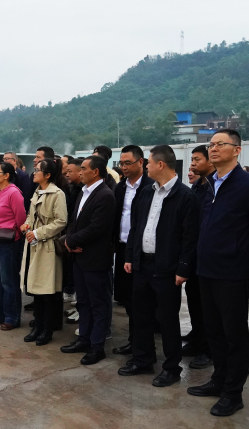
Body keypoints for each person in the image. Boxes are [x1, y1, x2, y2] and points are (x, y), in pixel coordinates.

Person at [187, 129, 249, 417]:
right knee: (213, 331)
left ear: (237, 150)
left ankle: (233, 393)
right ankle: (219, 379)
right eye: (211, 144)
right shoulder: (209, 183)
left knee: (233, 333)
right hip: (206, 270)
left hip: (233, 272)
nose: (213, 149)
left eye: (220, 144)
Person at [117, 145, 199, 388]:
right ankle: (143, 359)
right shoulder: (146, 192)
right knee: (140, 315)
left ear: (161, 164)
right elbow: (136, 228)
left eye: (149, 163)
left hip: (167, 268)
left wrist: (183, 268)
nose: (147, 167)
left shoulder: (185, 196)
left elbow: (190, 238)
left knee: (167, 320)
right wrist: (130, 257)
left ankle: (171, 368)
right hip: (142, 264)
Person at [60, 155, 115, 366]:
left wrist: (71, 240)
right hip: (79, 255)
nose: (80, 172)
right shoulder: (83, 191)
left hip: (95, 258)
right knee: (83, 301)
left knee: (98, 303)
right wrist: (69, 240)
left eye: (83, 168)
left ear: (96, 172)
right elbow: (74, 221)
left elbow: (97, 227)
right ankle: (84, 339)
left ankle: (97, 346)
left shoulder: (105, 195)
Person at [111, 145, 153, 356]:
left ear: (141, 162)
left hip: (142, 252)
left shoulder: (151, 187)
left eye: (128, 163)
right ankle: (133, 340)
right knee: (126, 297)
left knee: (142, 301)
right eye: (122, 163)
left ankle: (143, 345)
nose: (124, 167)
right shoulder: (121, 187)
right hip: (122, 248)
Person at [21, 158, 67, 345]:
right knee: (36, 292)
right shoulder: (37, 191)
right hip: (33, 245)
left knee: (47, 293)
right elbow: (31, 216)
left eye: (38, 170)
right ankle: (37, 327)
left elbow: (61, 221)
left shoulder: (57, 194)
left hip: (47, 248)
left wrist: (38, 233)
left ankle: (47, 330)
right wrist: (27, 225)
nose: (34, 172)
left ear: (47, 175)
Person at [0, 162, 27, 330]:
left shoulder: (14, 193)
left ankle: (12, 317)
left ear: (7, 175)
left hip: (8, 242)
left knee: (9, 280)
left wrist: (13, 234)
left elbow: (21, 218)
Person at [184, 145, 216, 370]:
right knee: (194, 299)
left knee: (208, 307)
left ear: (210, 161)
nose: (193, 164)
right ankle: (196, 339)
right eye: (192, 160)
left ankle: (208, 349)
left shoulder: (215, 187)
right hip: (193, 253)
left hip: (209, 256)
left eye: (197, 159)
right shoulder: (197, 186)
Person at [62, 158, 84, 308]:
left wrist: (73, 239)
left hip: (81, 241)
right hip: (72, 237)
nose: (67, 174)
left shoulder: (88, 191)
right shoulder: (74, 189)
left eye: (70, 171)